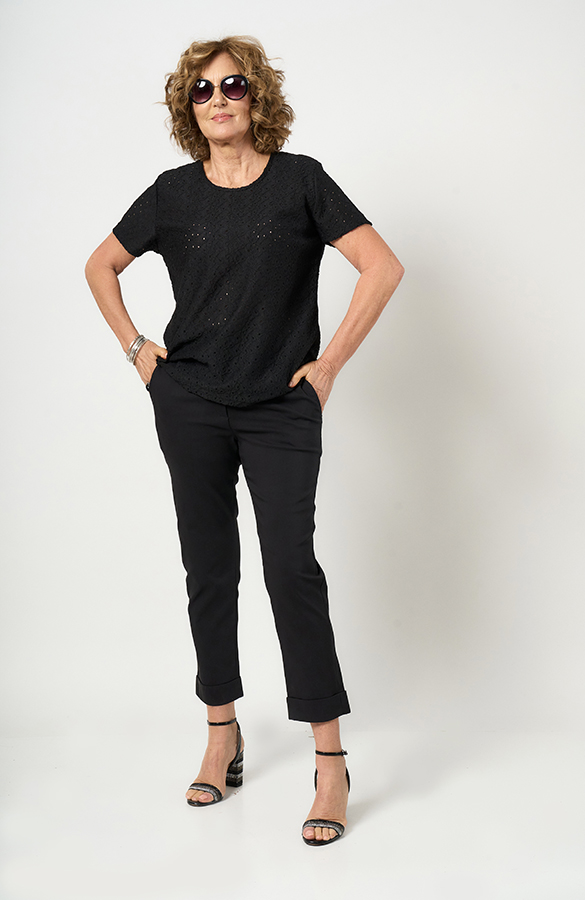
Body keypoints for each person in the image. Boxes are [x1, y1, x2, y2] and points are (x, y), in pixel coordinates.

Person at [85, 35, 404, 845]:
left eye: (233, 85)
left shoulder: (301, 182)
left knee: (291, 568)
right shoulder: (171, 193)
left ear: (257, 95)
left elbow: (382, 266)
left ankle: (329, 761)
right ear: (187, 108)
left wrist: (328, 366)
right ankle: (220, 733)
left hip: (281, 406)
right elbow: (100, 266)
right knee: (209, 568)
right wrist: (138, 350)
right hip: (188, 399)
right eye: (202, 90)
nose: (218, 99)